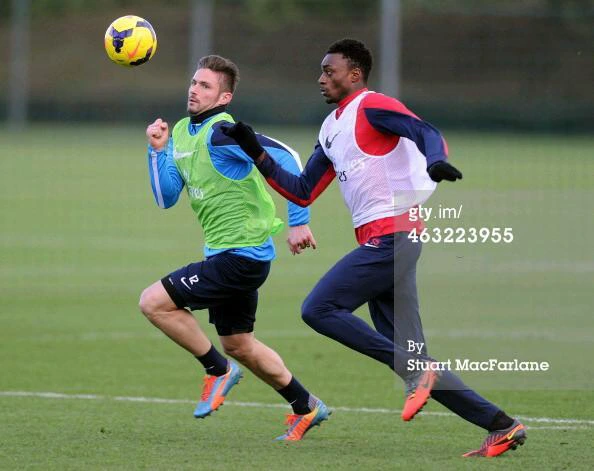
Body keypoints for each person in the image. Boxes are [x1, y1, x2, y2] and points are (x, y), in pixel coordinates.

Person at [221, 39, 527, 457]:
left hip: (393, 238)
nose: (321, 78)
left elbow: (424, 131)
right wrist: (255, 151)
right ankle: (502, 426)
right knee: (415, 357)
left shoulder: (372, 105)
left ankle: (418, 372)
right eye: (321, 71)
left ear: (355, 75)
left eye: (329, 71)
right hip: (385, 243)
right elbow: (302, 190)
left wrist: (434, 159)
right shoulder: (331, 128)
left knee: (319, 309)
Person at [138, 54, 329, 441]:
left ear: (224, 98)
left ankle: (217, 370)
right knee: (239, 344)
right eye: (194, 82)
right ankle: (305, 405)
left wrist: (299, 220)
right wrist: (158, 150)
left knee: (153, 302)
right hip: (227, 254)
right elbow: (165, 197)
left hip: (241, 256)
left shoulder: (224, 133)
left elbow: (289, 157)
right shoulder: (182, 132)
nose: (194, 89)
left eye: (205, 86)